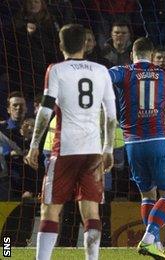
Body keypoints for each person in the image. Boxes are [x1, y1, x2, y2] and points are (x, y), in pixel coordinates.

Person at [23, 24, 116, 260]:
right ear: (86, 44)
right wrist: (108, 149)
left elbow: (45, 111)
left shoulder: (56, 70)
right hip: (94, 150)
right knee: (91, 209)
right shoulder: (101, 70)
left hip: (65, 149)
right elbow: (111, 115)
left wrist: (35, 145)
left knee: (50, 209)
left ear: (61, 44)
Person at [108, 37, 165, 259]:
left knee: (147, 195)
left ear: (132, 54)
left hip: (132, 143)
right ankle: (148, 238)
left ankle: (156, 244)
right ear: (152, 56)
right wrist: (160, 103)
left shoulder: (123, 71)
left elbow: (106, 76)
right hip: (158, 141)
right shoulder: (164, 74)